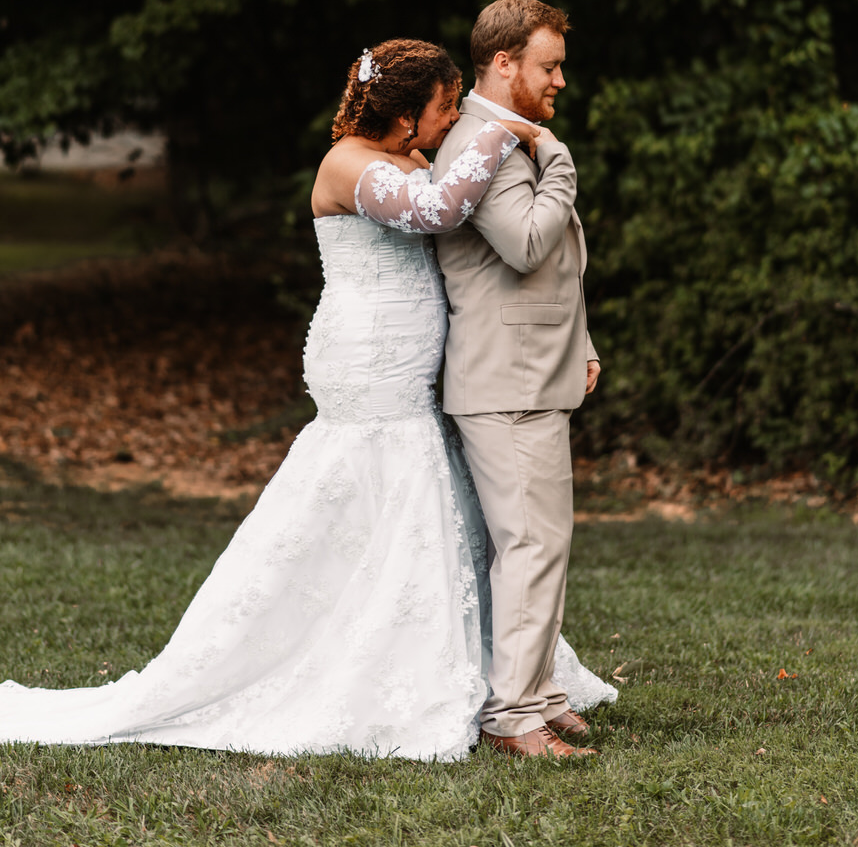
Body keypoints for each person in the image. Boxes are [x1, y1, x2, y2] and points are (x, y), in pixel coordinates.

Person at [0, 38, 615, 760]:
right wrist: (506, 130)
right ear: (408, 112)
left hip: (418, 365)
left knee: (436, 502)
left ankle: (491, 677)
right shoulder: (347, 163)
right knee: (373, 486)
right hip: (366, 359)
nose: (454, 122)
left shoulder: (417, 155)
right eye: (446, 109)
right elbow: (437, 213)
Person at [433, 0, 603, 758]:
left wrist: (585, 342)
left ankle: (539, 692)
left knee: (546, 542)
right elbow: (529, 244)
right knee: (528, 545)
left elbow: (556, 268)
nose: (560, 79)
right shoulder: (487, 143)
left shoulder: (511, 138)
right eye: (549, 65)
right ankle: (511, 720)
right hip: (504, 381)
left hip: (538, 373)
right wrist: (560, 158)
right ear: (504, 63)